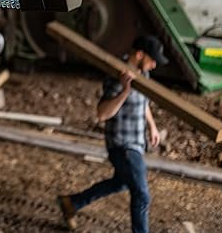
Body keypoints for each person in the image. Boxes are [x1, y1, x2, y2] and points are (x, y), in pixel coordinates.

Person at [57, 35, 168, 233]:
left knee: (121, 183)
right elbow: (102, 114)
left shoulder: (143, 74)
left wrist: (152, 125)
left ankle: (72, 203)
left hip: (136, 142)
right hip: (122, 145)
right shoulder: (116, 75)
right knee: (142, 195)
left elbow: (143, 103)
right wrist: (125, 91)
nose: (154, 65)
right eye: (152, 60)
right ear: (139, 55)